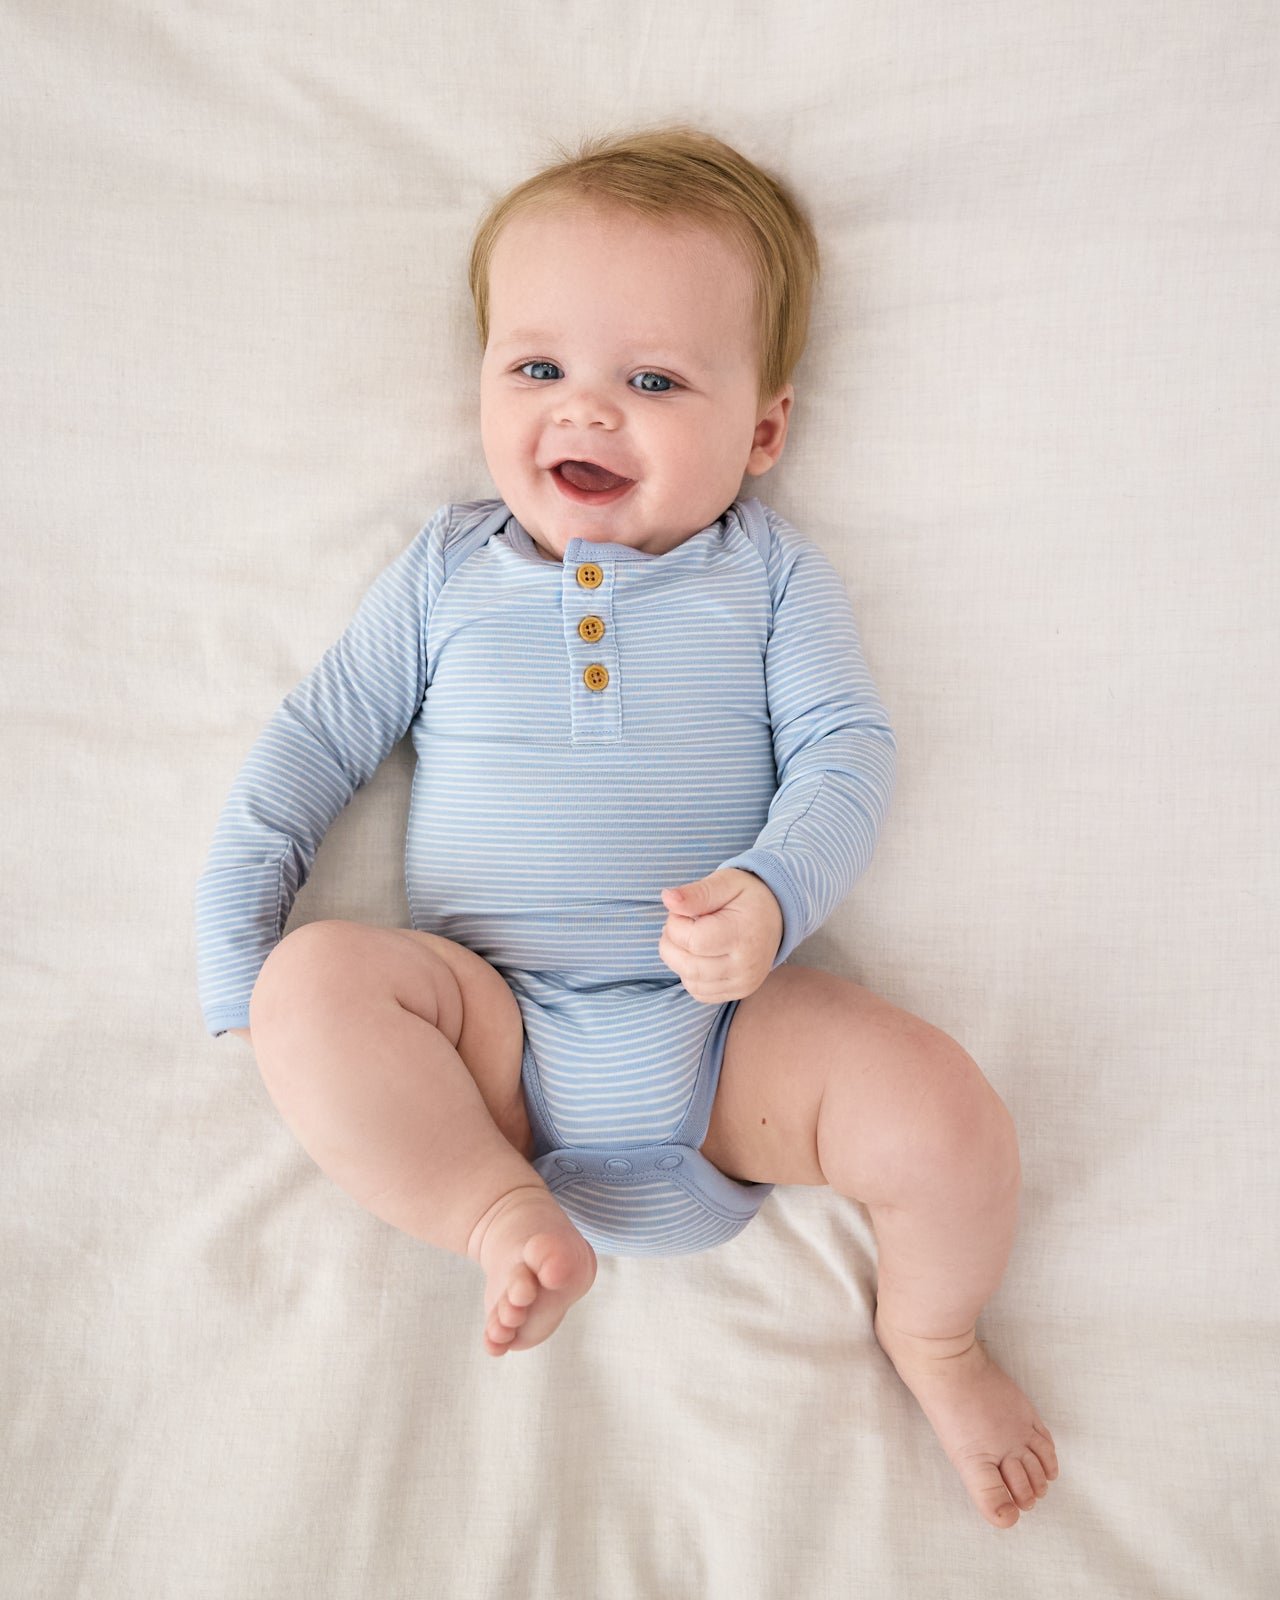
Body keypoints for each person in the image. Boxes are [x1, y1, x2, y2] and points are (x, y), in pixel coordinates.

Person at [195, 125, 1057, 1529]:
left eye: (653, 380)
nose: (586, 412)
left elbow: (847, 750)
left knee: (947, 1117)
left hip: (725, 1034)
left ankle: (936, 1334)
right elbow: (312, 747)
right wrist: (238, 952)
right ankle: (496, 1217)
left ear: (763, 430)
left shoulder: (769, 575)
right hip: (495, 1037)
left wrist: (774, 897)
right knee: (313, 990)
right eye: (539, 369)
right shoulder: (443, 571)